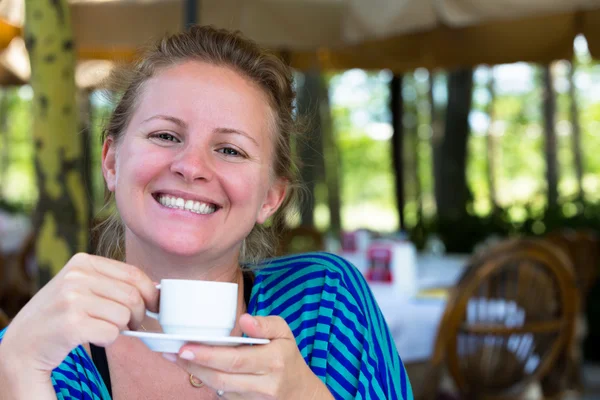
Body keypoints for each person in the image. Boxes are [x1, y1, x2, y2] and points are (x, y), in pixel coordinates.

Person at [0, 26, 414, 400]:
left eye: (230, 150)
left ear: (270, 197)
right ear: (111, 163)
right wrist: (17, 372)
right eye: (165, 135)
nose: (192, 166)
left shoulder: (324, 302)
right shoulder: (40, 351)